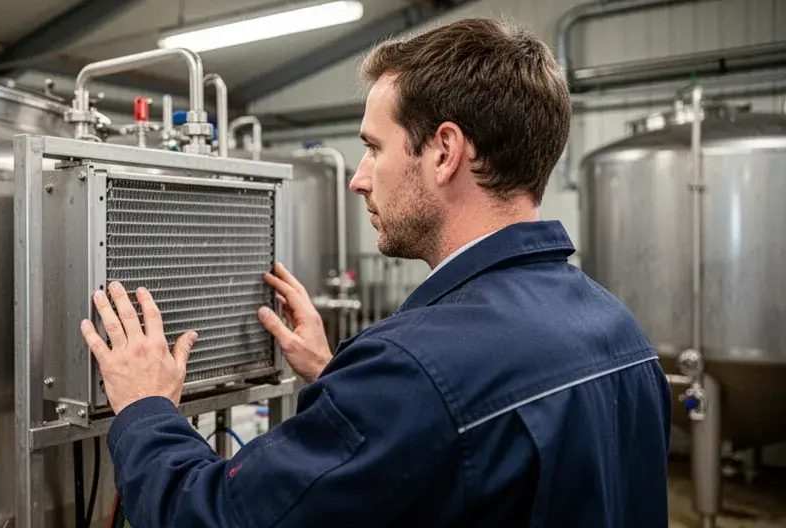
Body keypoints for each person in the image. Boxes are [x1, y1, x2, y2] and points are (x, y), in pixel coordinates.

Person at [79, 18, 672, 527]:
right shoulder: (620, 332)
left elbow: (211, 516)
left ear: (445, 151)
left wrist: (145, 408)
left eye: (374, 147)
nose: (359, 178)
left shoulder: (414, 373)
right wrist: (338, 377)